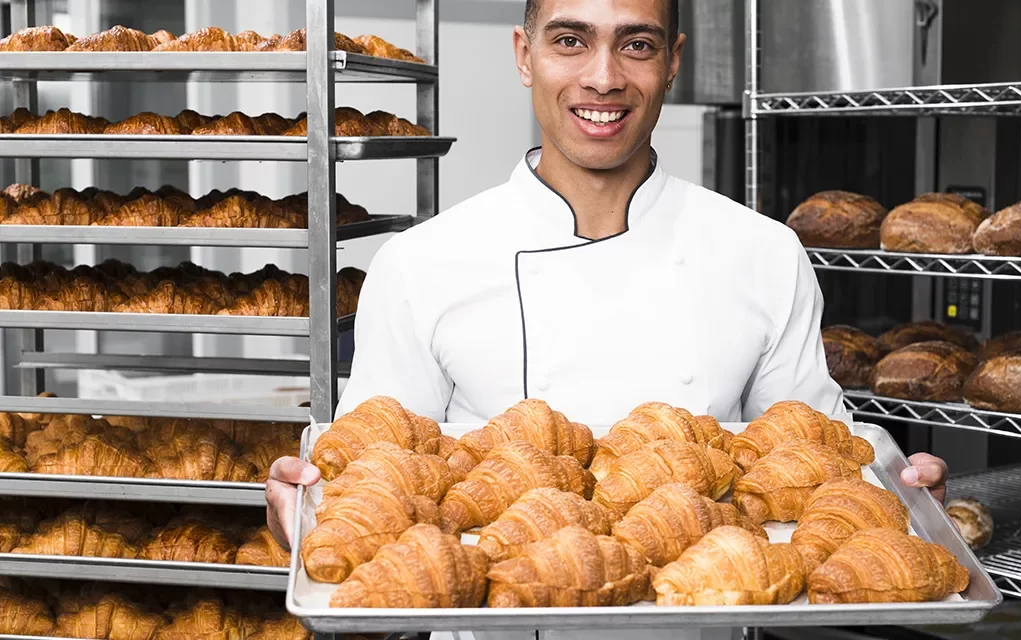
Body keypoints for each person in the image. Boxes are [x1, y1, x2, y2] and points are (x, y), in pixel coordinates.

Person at [267, 0, 948, 636]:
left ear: (672, 61)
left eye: (637, 45)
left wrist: (903, 505)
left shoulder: (763, 253)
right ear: (524, 54)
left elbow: (820, 465)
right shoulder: (421, 264)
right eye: (570, 40)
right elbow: (369, 482)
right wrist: (300, 517)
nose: (604, 77)